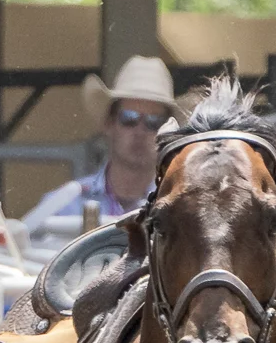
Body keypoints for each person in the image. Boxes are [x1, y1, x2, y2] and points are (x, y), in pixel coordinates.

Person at [30, 56, 181, 224]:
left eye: (154, 122)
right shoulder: (63, 204)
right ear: (108, 123)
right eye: (129, 118)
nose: (140, 131)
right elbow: (15, 244)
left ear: (168, 133)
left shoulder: (179, 209)